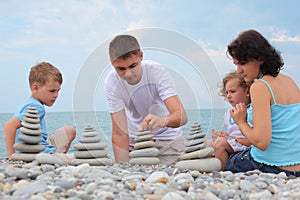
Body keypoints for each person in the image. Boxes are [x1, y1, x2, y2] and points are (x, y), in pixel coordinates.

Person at [225, 29, 300, 177]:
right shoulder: (289, 81)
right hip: (297, 165)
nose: (239, 71)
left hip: (272, 166)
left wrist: (241, 122)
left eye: (242, 63)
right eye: (236, 64)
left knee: (226, 159)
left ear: (259, 58)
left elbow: (261, 142)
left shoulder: (260, 86)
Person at [104, 34, 188, 165]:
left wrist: (162, 121)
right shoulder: (111, 82)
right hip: (135, 141)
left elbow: (181, 117)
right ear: (112, 64)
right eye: (121, 69)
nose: (128, 74)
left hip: (167, 139)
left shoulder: (156, 72)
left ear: (141, 56)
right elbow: (119, 132)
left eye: (133, 66)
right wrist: (121, 169)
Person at [4, 62, 76, 158]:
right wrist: (12, 156)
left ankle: (56, 158)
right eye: (52, 91)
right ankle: (57, 159)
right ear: (35, 88)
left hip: (37, 147)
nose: (56, 95)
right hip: (38, 153)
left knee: (69, 130)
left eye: (58, 91)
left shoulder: (28, 104)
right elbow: (9, 126)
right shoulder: (37, 107)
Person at [207, 71, 252, 170]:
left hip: (246, 147)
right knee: (208, 143)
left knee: (221, 144)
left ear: (247, 92)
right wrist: (225, 136)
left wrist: (230, 139)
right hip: (236, 143)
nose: (228, 96)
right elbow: (233, 133)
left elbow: (255, 139)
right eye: (227, 92)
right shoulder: (229, 113)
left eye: (233, 91)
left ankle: (221, 171)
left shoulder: (252, 111)